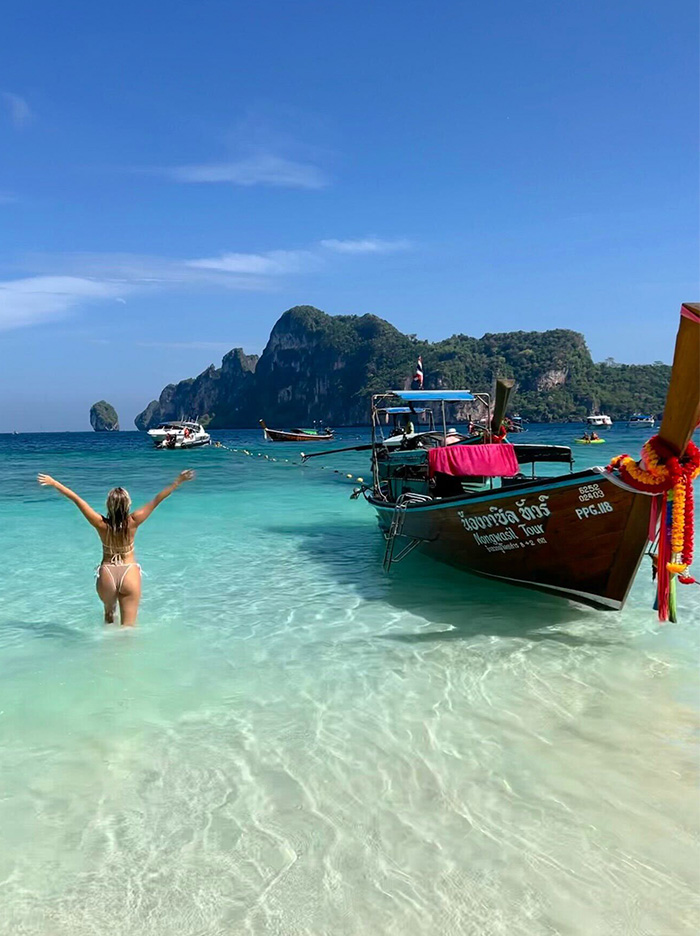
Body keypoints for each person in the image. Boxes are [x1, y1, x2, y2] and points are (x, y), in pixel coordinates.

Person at [37, 470, 195, 626]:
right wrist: (177, 482)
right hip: (129, 573)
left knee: (109, 621)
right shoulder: (134, 520)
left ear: (108, 505)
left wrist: (54, 483)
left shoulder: (100, 523)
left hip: (107, 574)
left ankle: (105, 650)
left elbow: (77, 500)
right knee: (128, 628)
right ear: (128, 504)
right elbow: (157, 500)